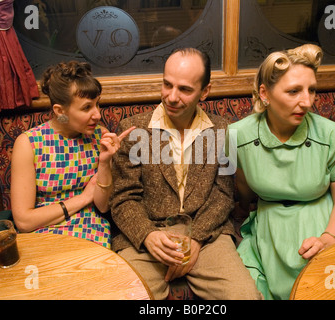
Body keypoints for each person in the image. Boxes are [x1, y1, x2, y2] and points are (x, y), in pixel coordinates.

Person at [110, 48, 263, 300]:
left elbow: (223, 195)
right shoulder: (134, 129)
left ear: (205, 92)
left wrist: (196, 239)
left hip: (207, 237)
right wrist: (147, 235)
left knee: (245, 296)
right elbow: (123, 197)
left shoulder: (223, 130)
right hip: (147, 236)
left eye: (184, 89)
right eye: (167, 85)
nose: (171, 97)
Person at [227, 44, 335, 299]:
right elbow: (244, 190)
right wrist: (241, 210)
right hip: (271, 227)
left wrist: (328, 239)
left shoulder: (330, 134)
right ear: (265, 93)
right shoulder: (238, 135)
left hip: (327, 222)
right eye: (294, 91)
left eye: (311, 90)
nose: (306, 102)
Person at [11, 61, 134, 249]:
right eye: (86, 108)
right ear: (60, 111)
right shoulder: (29, 144)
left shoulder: (99, 136)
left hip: (90, 230)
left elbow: (102, 206)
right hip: (42, 233)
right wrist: (83, 199)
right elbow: (24, 222)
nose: (97, 115)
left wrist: (105, 162)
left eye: (97, 104)